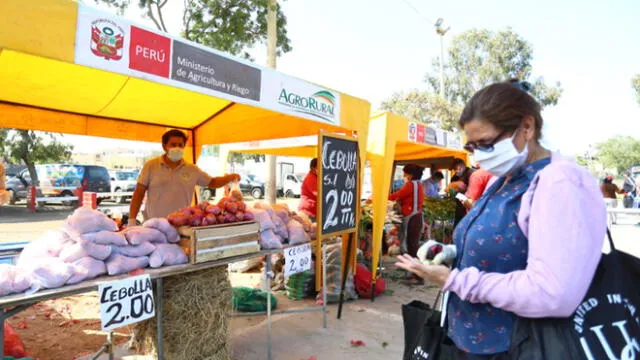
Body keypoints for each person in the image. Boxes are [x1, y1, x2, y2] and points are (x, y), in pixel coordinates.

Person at [396, 79, 606, 358]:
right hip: (472, 340)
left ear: (527, 127)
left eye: (485, 143)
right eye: (473, 147)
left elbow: (551, 292)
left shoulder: (559, 183)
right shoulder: (507, 178)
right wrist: (453, 252)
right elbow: (510, 248)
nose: (479, 157)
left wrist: (455, 280)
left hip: (515, 345)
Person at [129, 129, 240, 224]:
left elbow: (212, 182)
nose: (177, 148)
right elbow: (139, 192)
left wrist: (230, 177)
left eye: (180, 145)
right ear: (164, 146)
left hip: (182, 226)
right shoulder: (151, 166)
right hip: (154, 224)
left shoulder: (192, 169)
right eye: (173, 144)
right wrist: (132, 220)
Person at [389, 164, 425, 285]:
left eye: (405, 173)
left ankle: (418, 277)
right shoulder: (417, 184)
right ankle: (413, 273)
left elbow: (397, 195)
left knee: (412, 247)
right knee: (412, 246)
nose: (404, 175)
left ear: (410, 174)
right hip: (415, 217)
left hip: (413, 218)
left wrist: (379, 197)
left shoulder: (411, 185)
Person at [450, 158, 474, 226]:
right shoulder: (455, 177)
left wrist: (459, 192)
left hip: (470, 205)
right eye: (455, 169)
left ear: (464, 166)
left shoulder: (471, 174)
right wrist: (453, 191)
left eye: (459, 168)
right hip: (459, 206)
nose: (457, 171)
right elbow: (452, 189)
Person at [298, 158, 318, 222]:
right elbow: (317, 193)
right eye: (319, 167)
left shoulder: (316, 177)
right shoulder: (310, 178)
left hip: (314, 211)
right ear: (313, 168)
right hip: (308, 212)